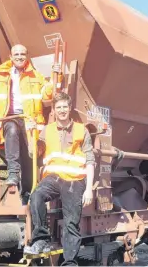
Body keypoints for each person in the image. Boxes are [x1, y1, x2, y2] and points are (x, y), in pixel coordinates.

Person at [0, 44, 59, 194]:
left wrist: (55, 76)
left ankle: (26, 195)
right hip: (10, 117)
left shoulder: (35, 75)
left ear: (27, 56)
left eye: (23, 54)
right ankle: (13, 174)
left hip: (29, 122)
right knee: (11, 129)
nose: (19, 56)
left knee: (29, 161)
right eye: (16, 54)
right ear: (10, 57)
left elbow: (47, 94)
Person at [24, 92, 95, 266]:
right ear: (54, 110)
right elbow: (34, 153)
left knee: (71, 223)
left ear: (69, 108)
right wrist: (31, 132)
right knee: (36, 196)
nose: (62, 110)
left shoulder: (81, 130)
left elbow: (90, 160)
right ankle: (41, 239)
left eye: (65, 107)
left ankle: (69, 263)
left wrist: (89, 189)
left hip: (75, 181)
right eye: (58, 107)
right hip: (54, 178)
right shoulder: (47, 130)